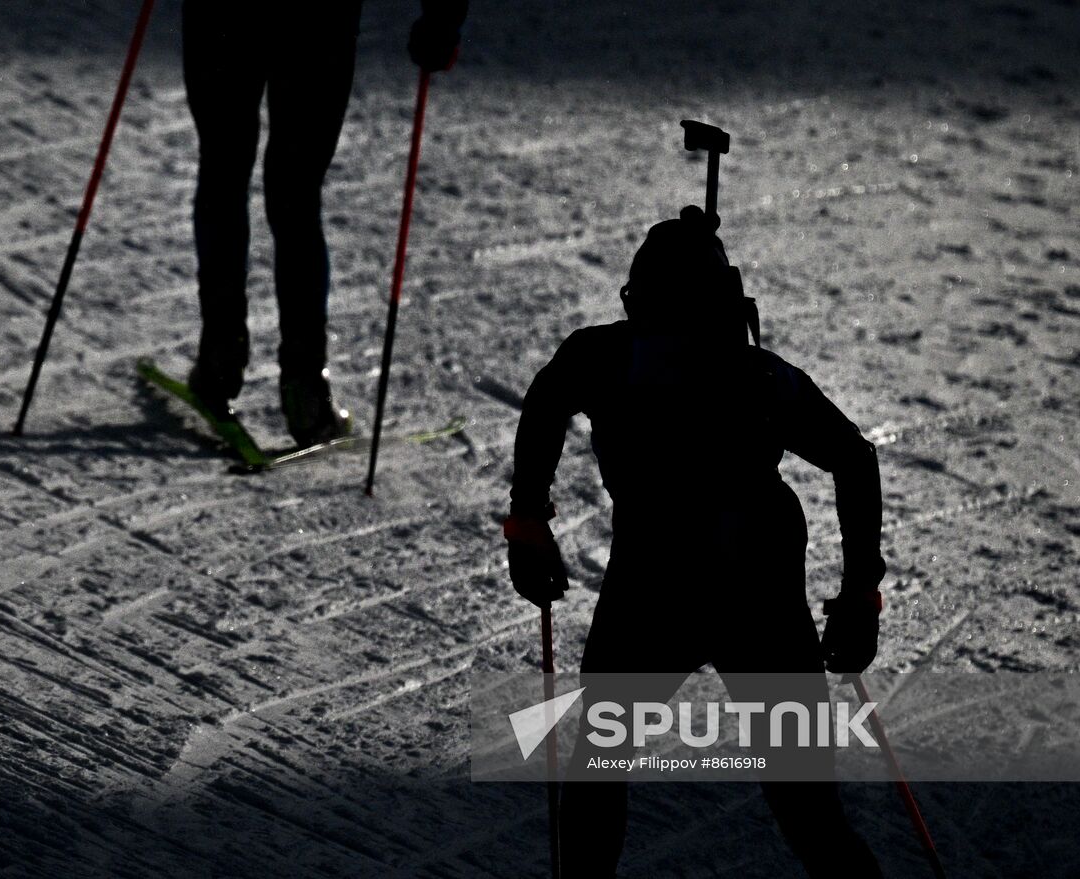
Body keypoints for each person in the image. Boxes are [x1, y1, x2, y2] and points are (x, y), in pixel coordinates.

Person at [502, 205, 886, 877]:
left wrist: (529, 518)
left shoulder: (608, 357)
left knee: (600, 761)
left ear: (636, 299)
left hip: (661, 588)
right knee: (807, 810)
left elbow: (547, 397)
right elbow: (854, 457)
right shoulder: (762, 376)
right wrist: (859, 593)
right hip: (751, 588)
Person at [182, 1, 467, 446]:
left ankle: (220, 357)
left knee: (223, 168)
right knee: (293, 192)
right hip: (317, 21)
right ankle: (304, 388)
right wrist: (443, 19)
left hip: (225, 14)